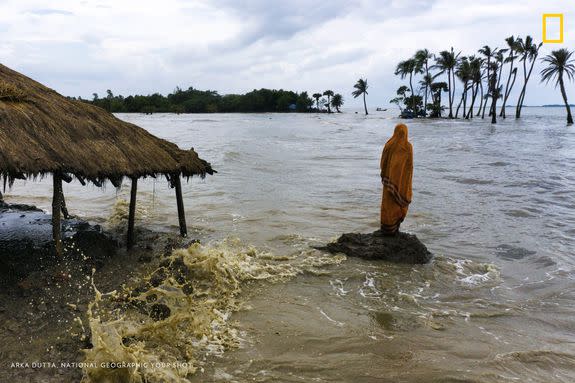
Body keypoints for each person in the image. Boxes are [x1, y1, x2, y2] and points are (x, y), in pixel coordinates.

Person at [380, 123, 413, 235]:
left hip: (388, 181)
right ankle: (395, 230)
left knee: (387, 204)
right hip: (402, 183)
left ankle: (386, 229)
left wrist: (386, 175)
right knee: (398, 204)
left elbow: (383, 162)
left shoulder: (389, 144)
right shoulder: (407, 146)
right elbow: (409, 167)